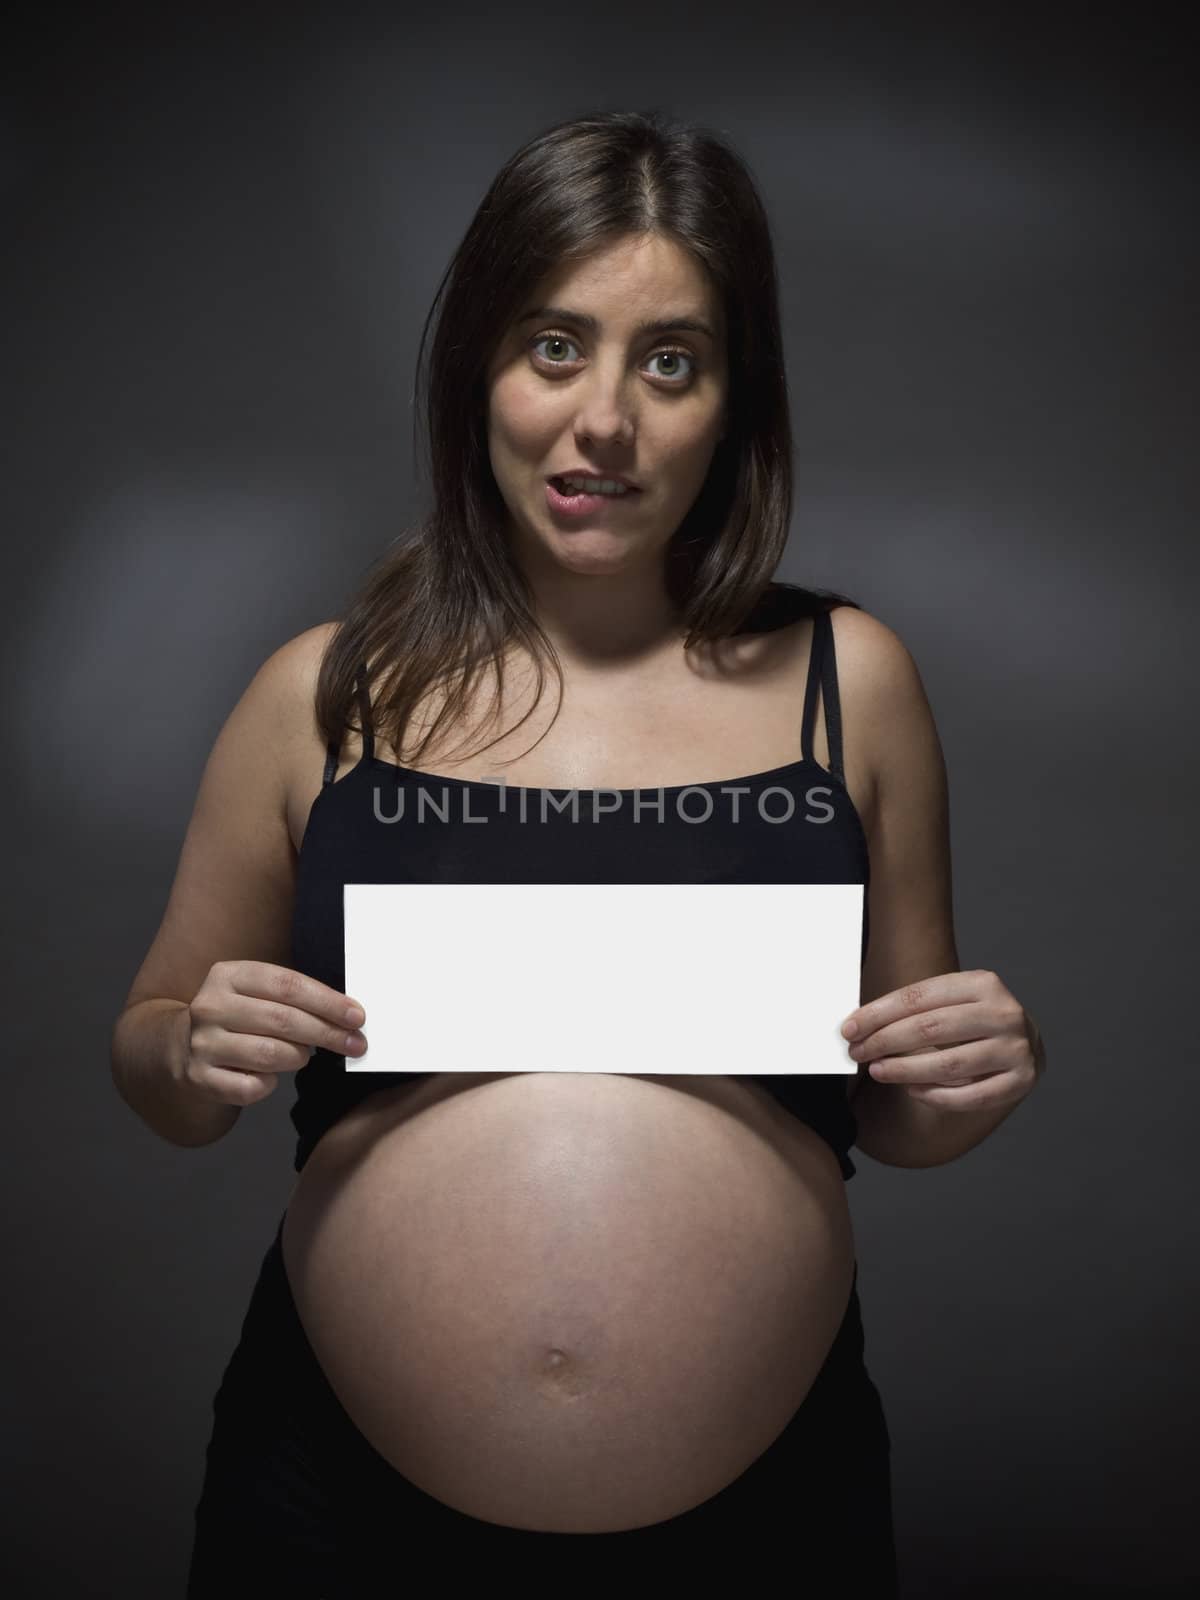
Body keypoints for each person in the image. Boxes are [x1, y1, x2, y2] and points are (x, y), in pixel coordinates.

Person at [111, 109, 1046, 1596]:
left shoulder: (846, 680)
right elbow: (155, 1058)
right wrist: (190, 1046)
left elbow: (897, 1111)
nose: (602, 419)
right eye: (554, 345)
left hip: (766, 1513)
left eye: (669, 361)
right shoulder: (322, 691)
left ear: (734, 403)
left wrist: (978, 1068)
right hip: (333, 1507)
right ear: (475, 365)